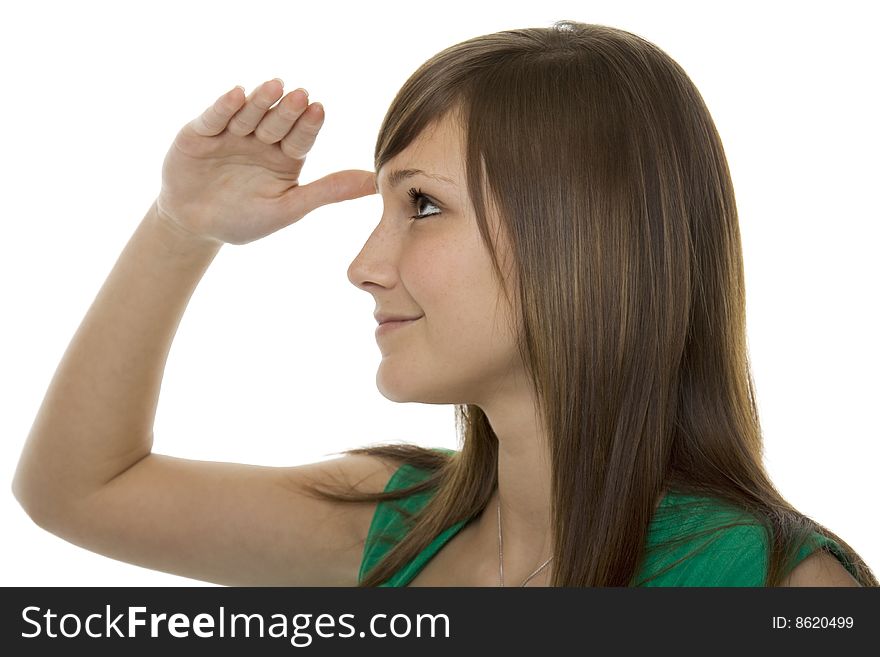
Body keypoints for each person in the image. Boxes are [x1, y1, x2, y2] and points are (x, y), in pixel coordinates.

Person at [12, 20, 875, 587]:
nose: (364, 266)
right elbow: (75, 490)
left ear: (576, 235)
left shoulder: (778, 585)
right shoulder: (393, 523)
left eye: (421, 205)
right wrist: (179, 226)